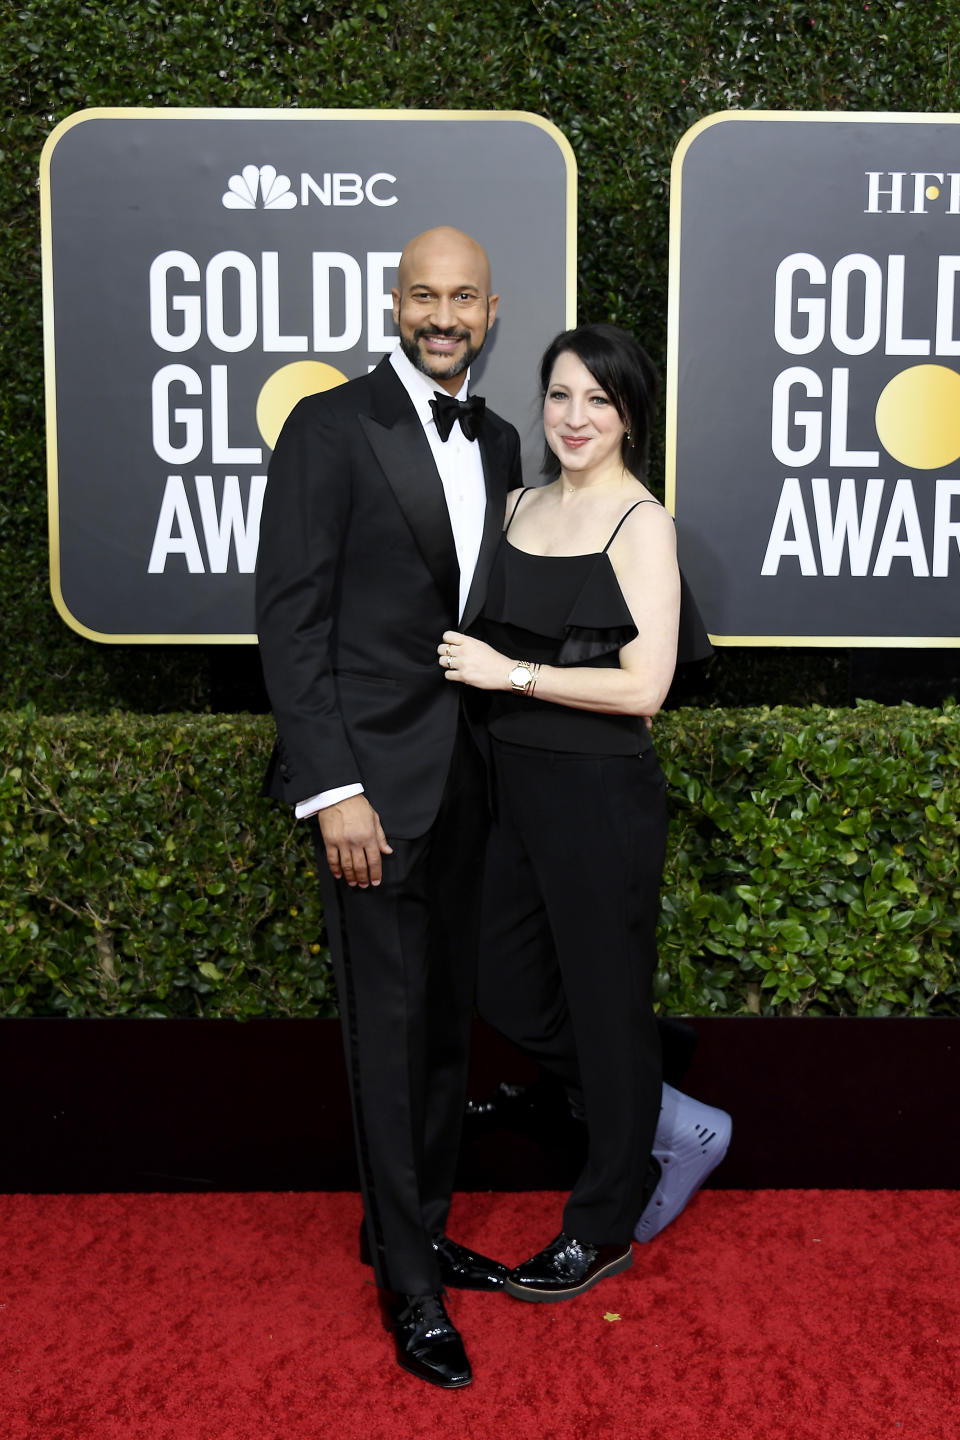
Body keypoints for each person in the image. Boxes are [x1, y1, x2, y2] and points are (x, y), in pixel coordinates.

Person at [255, 226, 521, 1389]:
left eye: (464, 297)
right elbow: (291, 618)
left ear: (492, 311)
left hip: (471, 782)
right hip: (369, 790)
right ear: (393, 303)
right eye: (425, 295)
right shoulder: (329, 426)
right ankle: (407, 1292)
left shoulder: (506, 439)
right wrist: (335, 790)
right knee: (389, 1030)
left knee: (445, 1028)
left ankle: (407, 1227)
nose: (444, 315)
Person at [438, 322, 714, 1300]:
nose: (575, 416)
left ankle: (602, 1225)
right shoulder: (516, 503)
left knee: (603, 1008)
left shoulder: (644, 524)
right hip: (510, 787)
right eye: (560, 395)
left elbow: (645, 688)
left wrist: (509, 672)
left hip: (601, 796)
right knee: (506, 988)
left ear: (630, 411)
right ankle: (658, 1097)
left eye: (598, 399)